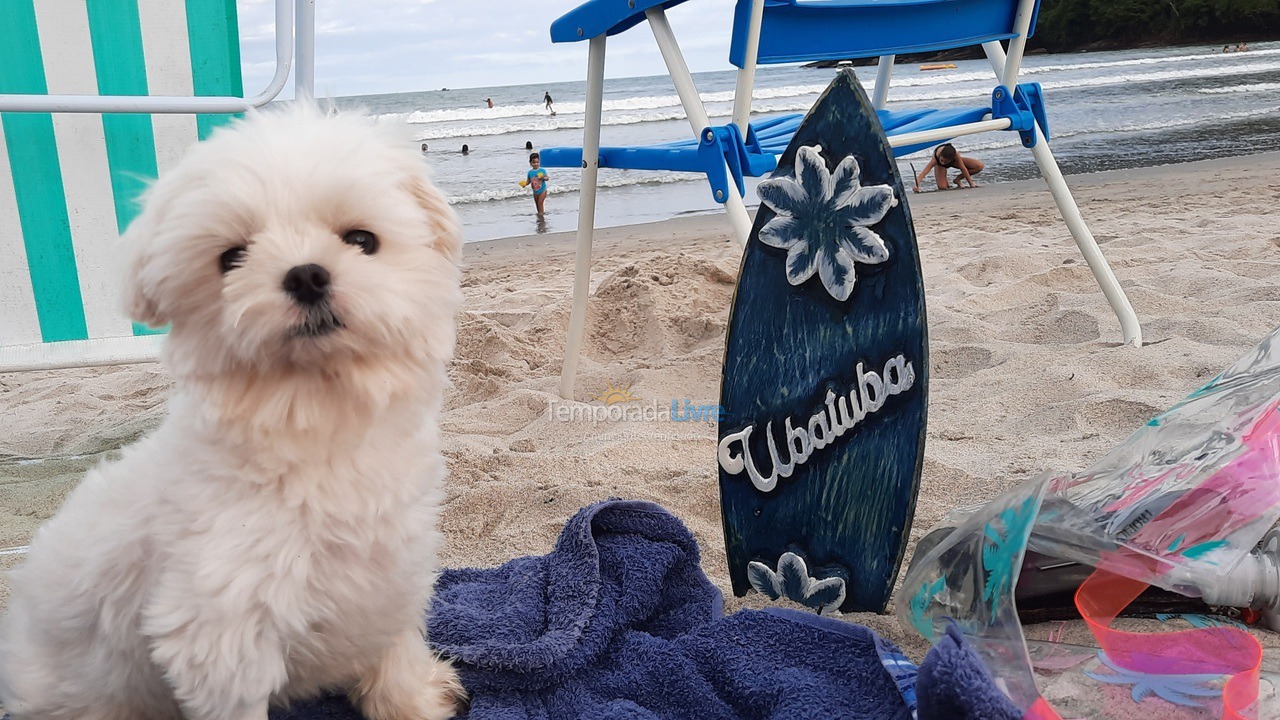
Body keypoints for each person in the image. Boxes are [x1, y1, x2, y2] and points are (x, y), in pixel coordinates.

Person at [913, 143, 983, 192]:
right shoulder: (936, 158)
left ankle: (957, 179)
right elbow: (924, 172)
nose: (943, 162)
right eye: (942, 160)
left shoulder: (956, 155)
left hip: (954, 162)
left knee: (979, 166)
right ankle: (947, 182)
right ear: (940, 156)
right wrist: (917, 185)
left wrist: (971, 184)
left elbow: (963, 169)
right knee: (943, 187)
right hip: (940, 166)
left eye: (945, 162)